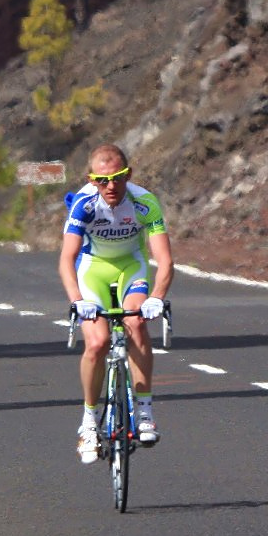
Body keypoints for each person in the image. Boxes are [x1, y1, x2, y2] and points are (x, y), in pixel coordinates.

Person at [59, 143, 174, 464]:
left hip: (130, 266)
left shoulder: (144, 202)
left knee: (135, 322)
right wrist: (77, 301)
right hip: (93, 268)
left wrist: (156, 298)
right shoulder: (83, 203)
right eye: (102, 180)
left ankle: (145, 409)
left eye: (118, 178)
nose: (111, 186)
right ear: (91, 180)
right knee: (97, 342)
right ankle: (89, 422)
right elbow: (67, 259)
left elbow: (164, 261)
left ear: (129, 175)